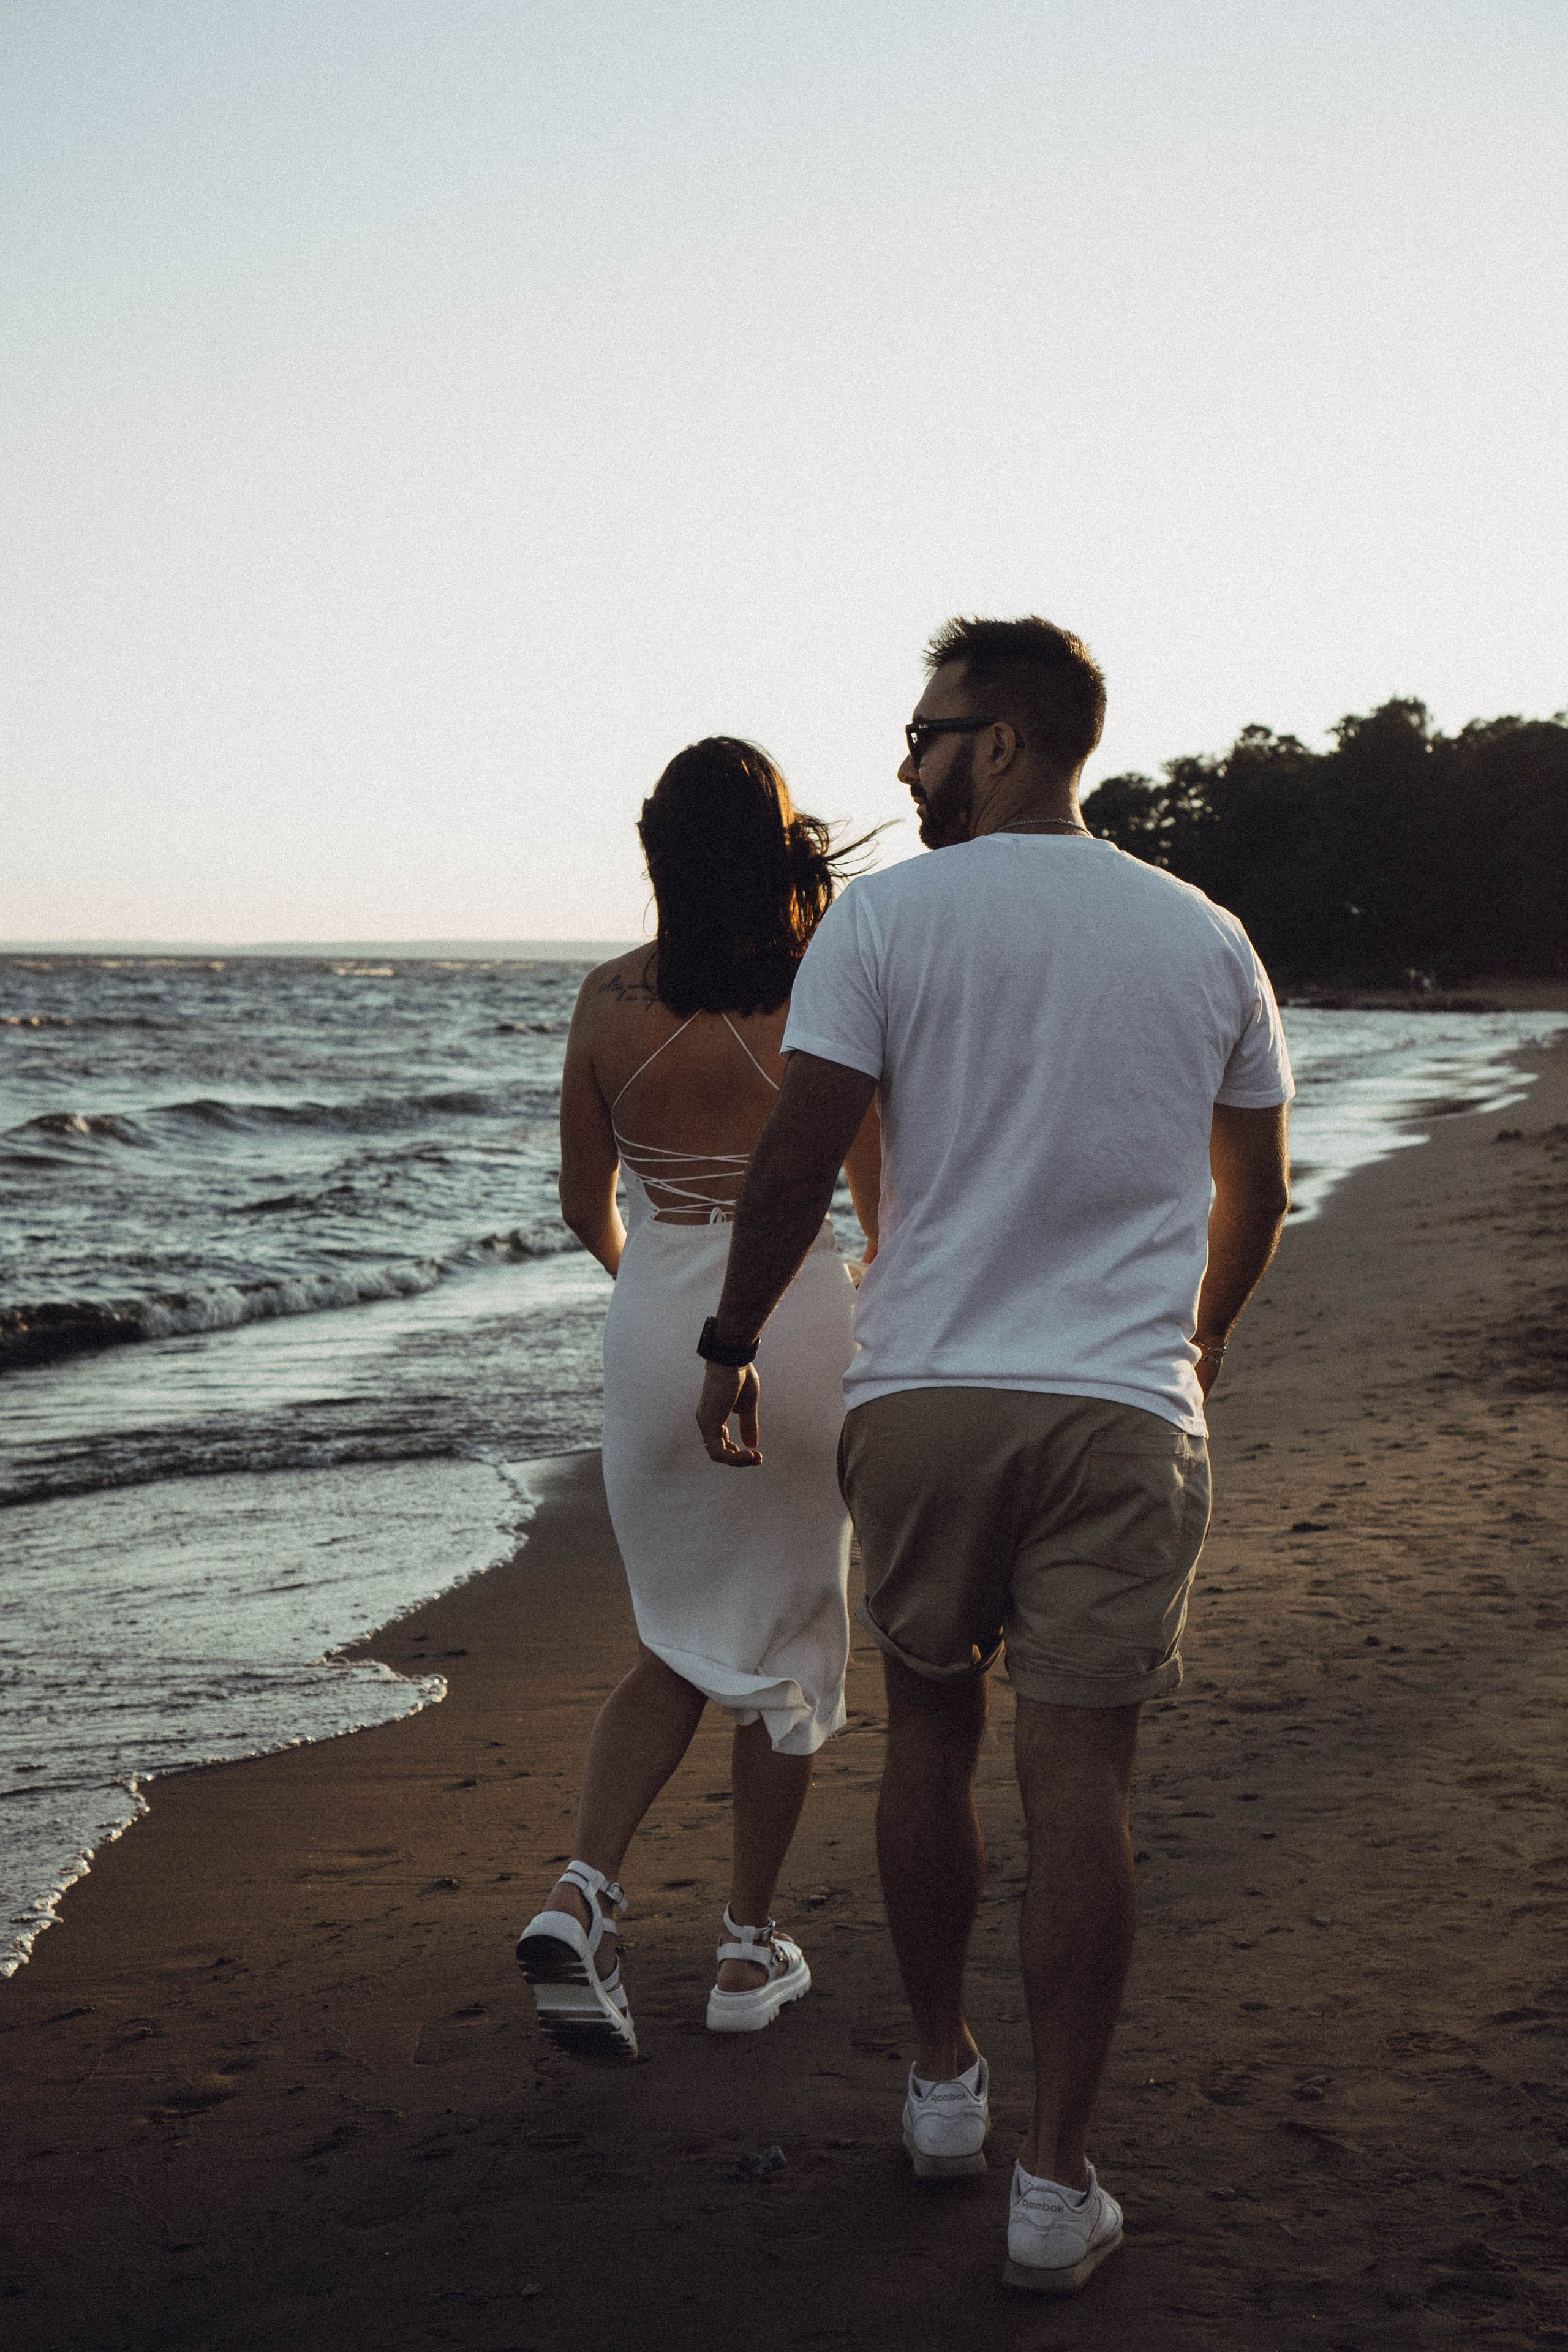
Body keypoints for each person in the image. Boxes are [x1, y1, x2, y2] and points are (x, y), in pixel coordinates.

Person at [695, 618, 1293, 2295]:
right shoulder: (1207, 938)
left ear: (1011, 741)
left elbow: (804, 1156)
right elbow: (1260, 1190)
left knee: (930, 1742)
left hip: (931, 1395)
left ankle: (944, 2082)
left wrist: (730, 1342)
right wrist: (1199, 1338)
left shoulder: (885, 922)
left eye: (928, 730)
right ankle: (1054, 2182)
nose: (903, 760)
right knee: (1085, 1778)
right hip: (1118, 1407)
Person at [517, 736, 881, 2062]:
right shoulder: (828, 992)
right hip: (798, 1323)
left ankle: (581, 1895)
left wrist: (654, 1292)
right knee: (788, 1644)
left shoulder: (605, 1002)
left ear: (657, 851)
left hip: (659, 1327)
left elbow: (580, 1203)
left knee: (673, 1631)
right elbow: (878, 1207)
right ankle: (742, 1949)